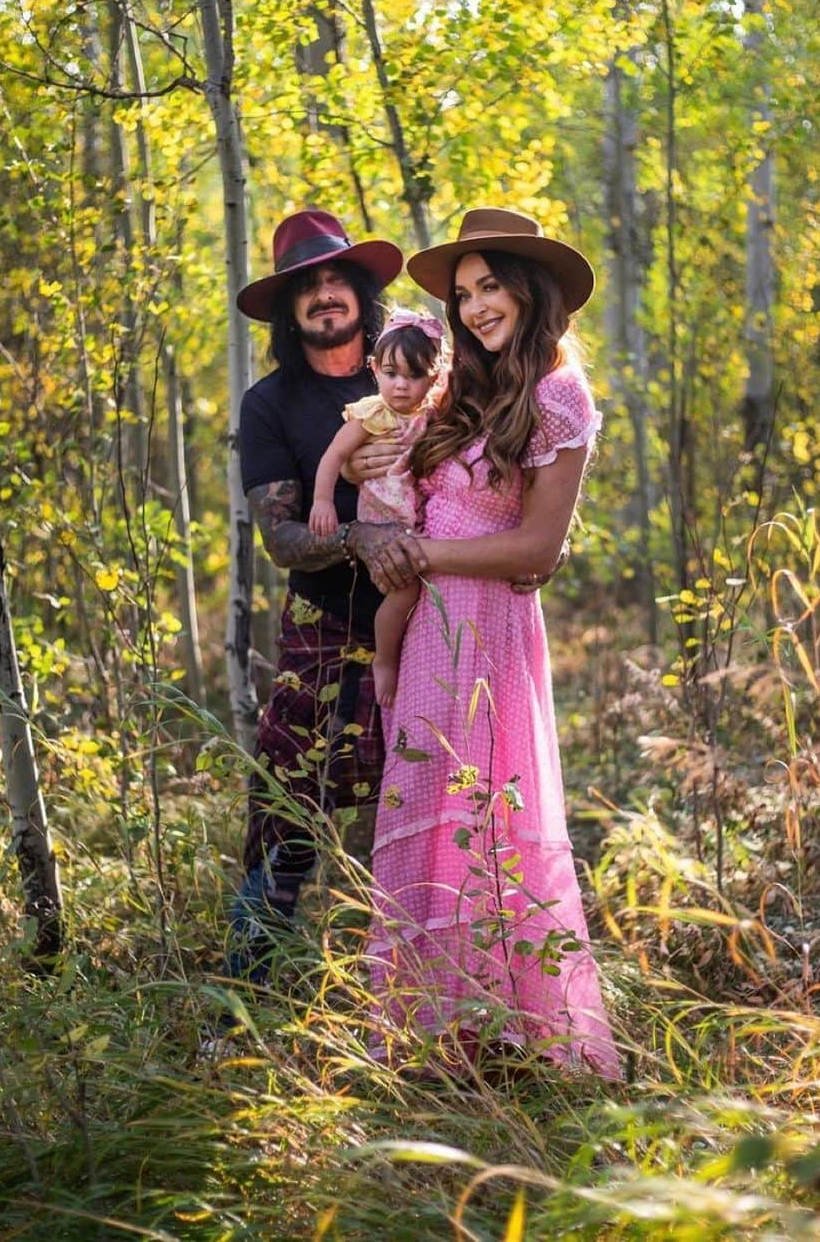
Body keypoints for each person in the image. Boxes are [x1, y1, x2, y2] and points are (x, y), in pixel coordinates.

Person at [365, 208, 621, 1077]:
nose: (474, 306)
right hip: (425, 628)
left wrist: (425, 554)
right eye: (463, 293)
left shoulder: (557, 394)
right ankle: (436, 1041)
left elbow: (537, 549)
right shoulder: (462, 392)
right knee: (425, 815)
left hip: (489, 630)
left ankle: (515, 1037)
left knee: (487, 819)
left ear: (529, 287)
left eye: (489, 286)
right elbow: (404, 481)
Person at [229, 208, 426, 983]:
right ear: (289, 311)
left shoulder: (415, 374)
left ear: (363, 291)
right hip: (322, 623)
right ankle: (243, 996)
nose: (323, 294)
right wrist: (357, 538)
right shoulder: (270, 404)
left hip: (429, 618)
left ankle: (436, 989)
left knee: (438, 793)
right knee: (284, 809)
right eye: (305, 286)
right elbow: (279, 536)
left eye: (336, 277)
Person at [308, 309, 446, 707]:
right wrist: (323, 500)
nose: (401, 385)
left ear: (433, 378)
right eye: (391, 373)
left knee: (425, 593)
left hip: (419, 519)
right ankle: (385, 661)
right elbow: (334, 455)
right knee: (403, 594)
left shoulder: (433, 414)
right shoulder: (373, 413)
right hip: (385, 520)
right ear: (374, 370)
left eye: (414, 375)